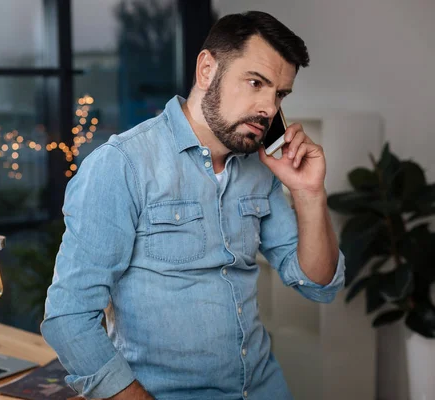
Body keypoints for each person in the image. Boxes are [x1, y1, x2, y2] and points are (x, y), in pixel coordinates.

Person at [41, 11, 345, 400]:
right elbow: (68, 318)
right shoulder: (122, 164)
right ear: (207, 70)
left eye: (280, 94)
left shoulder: (259, 166)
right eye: (256, 83)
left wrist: (309, 193)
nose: (268, 108)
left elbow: (317, 285)